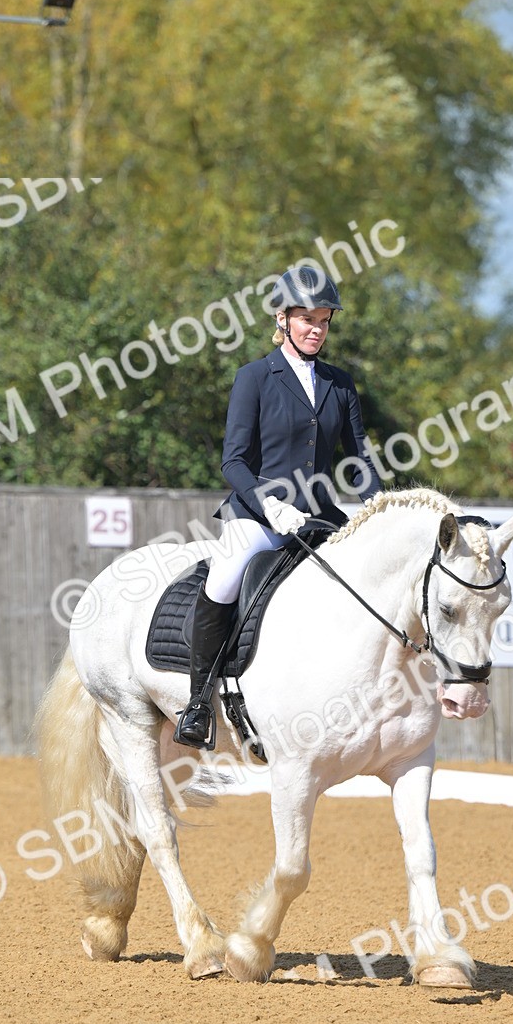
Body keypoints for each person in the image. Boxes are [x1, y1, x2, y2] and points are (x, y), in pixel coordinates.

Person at [174, 264, 384, 749]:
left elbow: (359, 460)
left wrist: (379, 507)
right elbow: (233, 460)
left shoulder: (340, 384)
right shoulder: (255, 377)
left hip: (320, 513)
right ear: (283, 318)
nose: (316, 329)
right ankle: (199, 702)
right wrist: (269, 505)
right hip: (259, 514)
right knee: (225, 578)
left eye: (324, 321)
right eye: (307, 319)